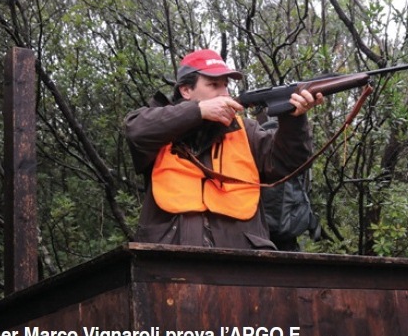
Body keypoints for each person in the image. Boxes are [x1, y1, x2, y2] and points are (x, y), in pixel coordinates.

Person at [124, 49, 323, 250]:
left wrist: (293, 119)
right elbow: (135, 131)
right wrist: (198, 111)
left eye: (225, 85)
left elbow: (288, 162)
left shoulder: (246, 130)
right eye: (213, 85)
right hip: (169, 259)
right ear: (186, 91)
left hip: (242, 260)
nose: (224, 93)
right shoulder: (160, 126)